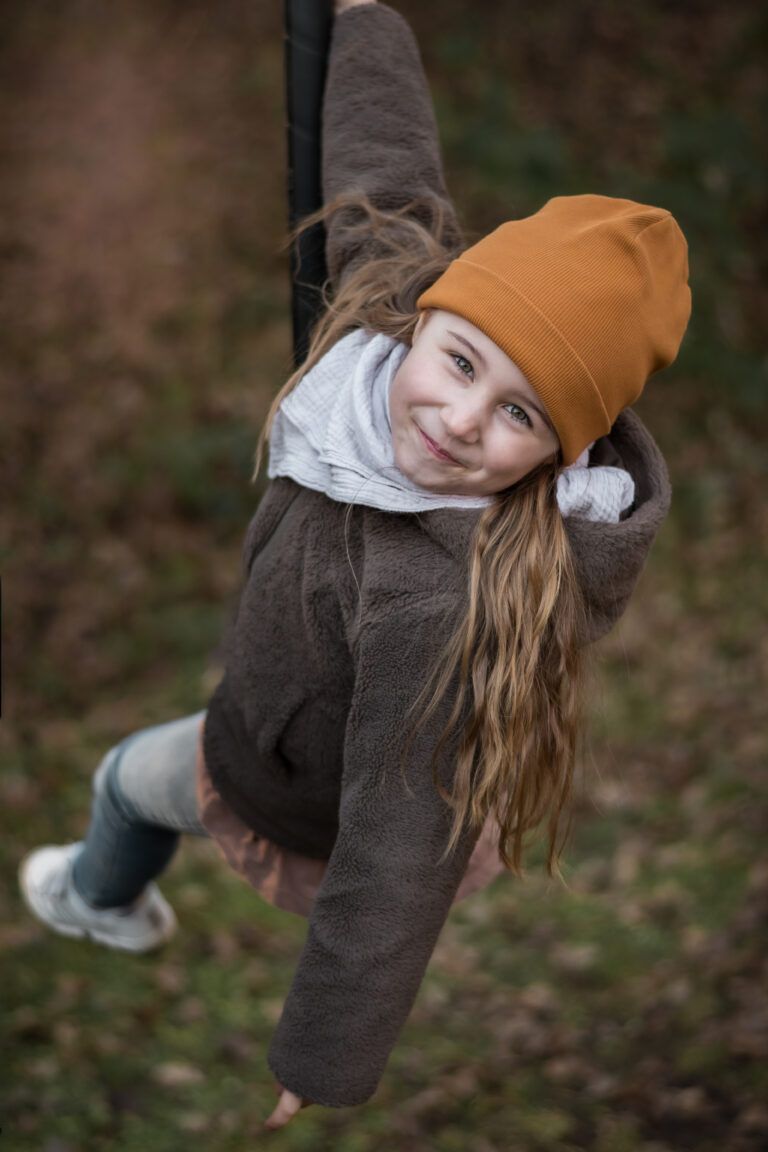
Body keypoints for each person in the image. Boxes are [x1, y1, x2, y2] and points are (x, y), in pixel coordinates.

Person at [19, 0, 691, 1131]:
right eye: (464, 358)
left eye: (519, 413)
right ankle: (110, 902)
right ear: (432, 312)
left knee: (118, 782)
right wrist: (367, 19)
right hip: (267, 707)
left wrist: (322, 1050)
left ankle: (97, 902)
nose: (461, 417)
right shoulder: (379, 314)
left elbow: (398, 843)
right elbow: (386, 164)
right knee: (119, 778)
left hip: (285, 791)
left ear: (562, 450)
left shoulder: (437, 595)